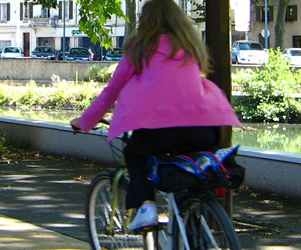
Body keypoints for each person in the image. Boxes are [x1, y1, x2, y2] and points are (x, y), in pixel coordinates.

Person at [69, 0, 244, 230]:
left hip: (160, 130)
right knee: (193, 167)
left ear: (146, 21)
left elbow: (112, 91)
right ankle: (193, 212)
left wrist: (85, 122)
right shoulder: (190, 46)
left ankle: (146, 207)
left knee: (135, 154)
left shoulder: (140, 47)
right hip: (203, 128)